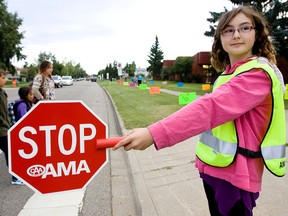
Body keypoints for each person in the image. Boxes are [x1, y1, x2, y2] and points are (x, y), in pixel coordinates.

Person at [113, 5, 286, 216]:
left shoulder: (257, 74)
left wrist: (153, 133)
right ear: (220, 38)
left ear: (257, 33)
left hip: (235, 175)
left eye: (245, 28)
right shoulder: (229, 74)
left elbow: (210, 109)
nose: (236, 35)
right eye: (228, 30)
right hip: (214, 167)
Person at [0, 70, 25, 185]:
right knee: (10, 152)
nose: (5, 80)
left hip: (5, 126)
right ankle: (15, 177)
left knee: (10, 151)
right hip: (2, 129)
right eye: (3, 78)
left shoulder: (2, 92)